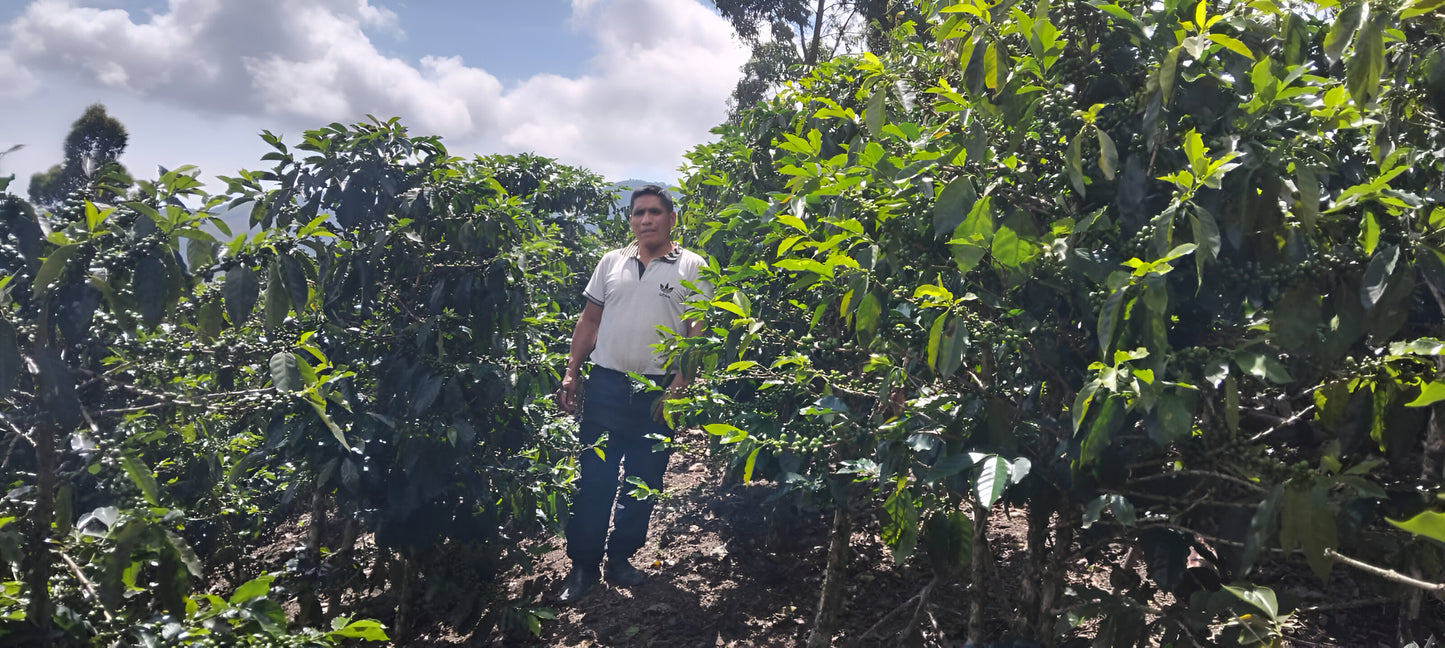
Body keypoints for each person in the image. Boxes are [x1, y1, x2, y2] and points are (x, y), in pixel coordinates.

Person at [554, 184, 708, 603]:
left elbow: (699, 332)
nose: (645, 220)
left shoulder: (693, 266)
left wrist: (681, 385)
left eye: (655, 212)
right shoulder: (610, 262)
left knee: (644, 480)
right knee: (594, 481)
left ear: (671, 218)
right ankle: (583, 565)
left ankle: (620, 559)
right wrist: (572, 372)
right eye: (638, 213)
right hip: (605, 386)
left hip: (657, 393)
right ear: (630, 220)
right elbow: (588, 322)